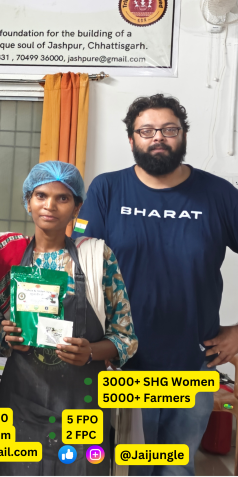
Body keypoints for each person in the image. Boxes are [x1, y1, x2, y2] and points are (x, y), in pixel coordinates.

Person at [72, 94, 238, 475]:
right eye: (146, 130)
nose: (157, 137)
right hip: (122, 360)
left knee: (174, 470)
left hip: (191, 364)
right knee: (121, 468)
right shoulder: (108, 189)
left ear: (183, 136)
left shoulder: (219, 195)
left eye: (168, 129)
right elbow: (81, 264)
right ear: (131, 140)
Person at [0, 161, 137, 476]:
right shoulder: (8, 259)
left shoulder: (97, 257)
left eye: (62, 198)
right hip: (21, 405)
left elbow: (126, 339)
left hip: (82, 408)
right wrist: (7, 337)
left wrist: (91, 351)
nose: (49, 205)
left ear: (76, 207)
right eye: (41, 195)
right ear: (28, 201)